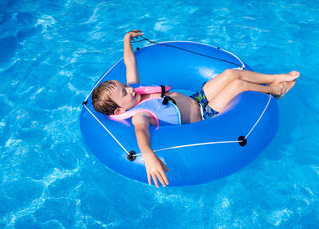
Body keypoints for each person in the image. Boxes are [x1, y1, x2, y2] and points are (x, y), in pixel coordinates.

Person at [92, 29, 300, 188]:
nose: (130, 90)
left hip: (197, 98)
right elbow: (140, 133)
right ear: (119, 111)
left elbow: (130, 64)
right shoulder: (141, 114)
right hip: (204, 114)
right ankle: (274, 91)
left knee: (230, 74)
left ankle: (275, 78)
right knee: (238, 86)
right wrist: (148, 157)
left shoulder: (135, 91)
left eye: (125, 87)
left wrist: (126, 40)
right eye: (125, 93)